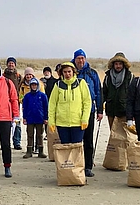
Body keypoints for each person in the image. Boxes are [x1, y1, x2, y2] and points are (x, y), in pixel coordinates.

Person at [72, 49, 103, 177]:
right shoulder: (70, 72)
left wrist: (100, 110)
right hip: (73, 112)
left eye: (82, 58)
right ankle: (75, 165)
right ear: (74, 59)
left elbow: (98, 92)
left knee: (88, 140)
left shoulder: (92, 73)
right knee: (75, 141)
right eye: (78, 58)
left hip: (89, 111)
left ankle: (88, 166)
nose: (81, 60)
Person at [48, 62, 91, 145]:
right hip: (62, 123)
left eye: (69, 71)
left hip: (78, 123)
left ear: (73, 72)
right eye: (65, 72)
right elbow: (52, 104)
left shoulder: (81, 83)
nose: (67, 74)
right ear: (62, 73)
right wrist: (51, 121)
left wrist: (85, 119)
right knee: (65, 148)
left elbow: (87, 102)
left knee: (76, 148)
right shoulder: (58, 85)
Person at [102, 52, 134, 129]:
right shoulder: (108, 77)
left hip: (124, 112)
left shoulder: (130, 76)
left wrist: (133, 113)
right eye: (116, 64)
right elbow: (104, 93)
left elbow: (133, 96)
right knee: (113, 135)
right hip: (111, 111)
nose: (118, 66)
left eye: (120, 64)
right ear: (113, 65)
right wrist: (100, 108)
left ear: (124, 65)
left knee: (124, 136)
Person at [22, 78, 49, 159]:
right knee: (30, 134)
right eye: (32, 85)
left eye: (35, 85)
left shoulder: (43, 96)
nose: (34, 86)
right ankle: (29, 151)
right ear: (30, 86)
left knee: (39, 135)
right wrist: (24, 118)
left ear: (37, 86)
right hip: (30, 118)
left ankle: (40, 151)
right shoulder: (27, 96)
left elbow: (46, 107)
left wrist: (46, 118)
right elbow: (24, 108)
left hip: (40, 118)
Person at [4, 57, 23, 150]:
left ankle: (17, 142)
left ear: (15, 65)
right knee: (5, 123)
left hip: (15, 102)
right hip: (4, 103)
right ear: (7, 64)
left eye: (12, 63)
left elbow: (23, 87)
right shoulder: (3, 75)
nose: (11, 65)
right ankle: (6, 142)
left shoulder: (19, 76)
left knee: (17, 123)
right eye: (9, 63)